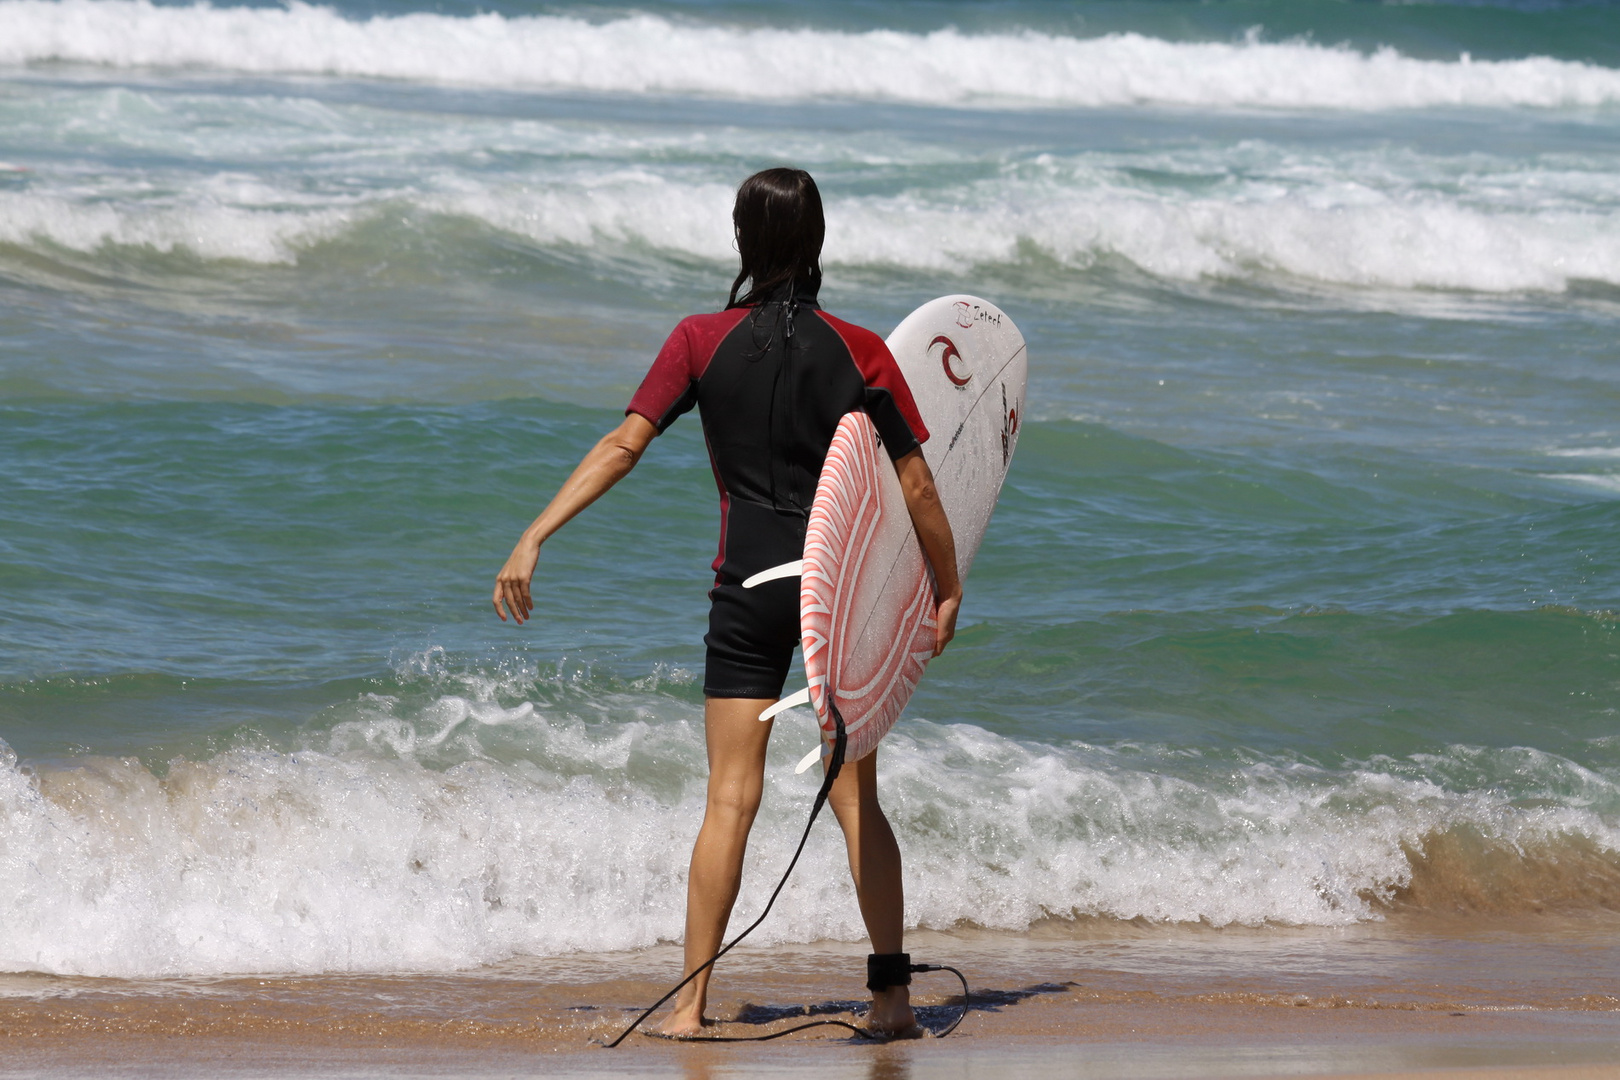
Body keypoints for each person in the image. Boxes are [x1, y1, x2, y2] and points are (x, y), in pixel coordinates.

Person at [493, 167, 961, 1038]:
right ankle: (891, 998)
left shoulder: (699, 339)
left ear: (743, 242)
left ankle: (689, 1008)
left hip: (745, 585)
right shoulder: (860, 349)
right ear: (817, 242)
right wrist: (946, 585)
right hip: (838, 593)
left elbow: (625, 443)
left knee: (729, 799)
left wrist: (535, 534)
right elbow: (918, 485)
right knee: (857, 795)